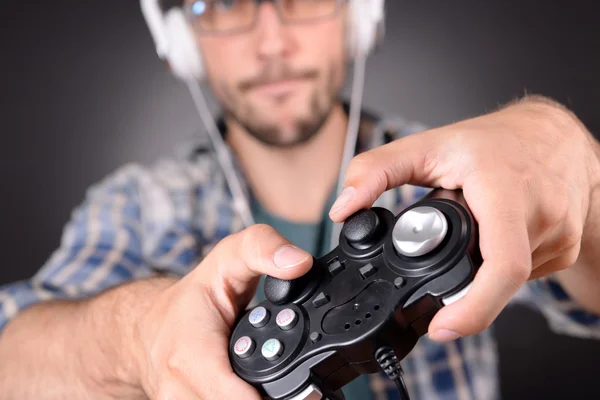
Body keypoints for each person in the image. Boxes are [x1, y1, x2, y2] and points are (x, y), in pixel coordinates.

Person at [1, 0, 600, 399]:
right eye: (226, 1)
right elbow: (10, 362)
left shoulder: (460, 175)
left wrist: (574, 159)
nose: (272, 44)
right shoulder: (139, 207)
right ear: (179, 41)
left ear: (360, 16)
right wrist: (137, 334)